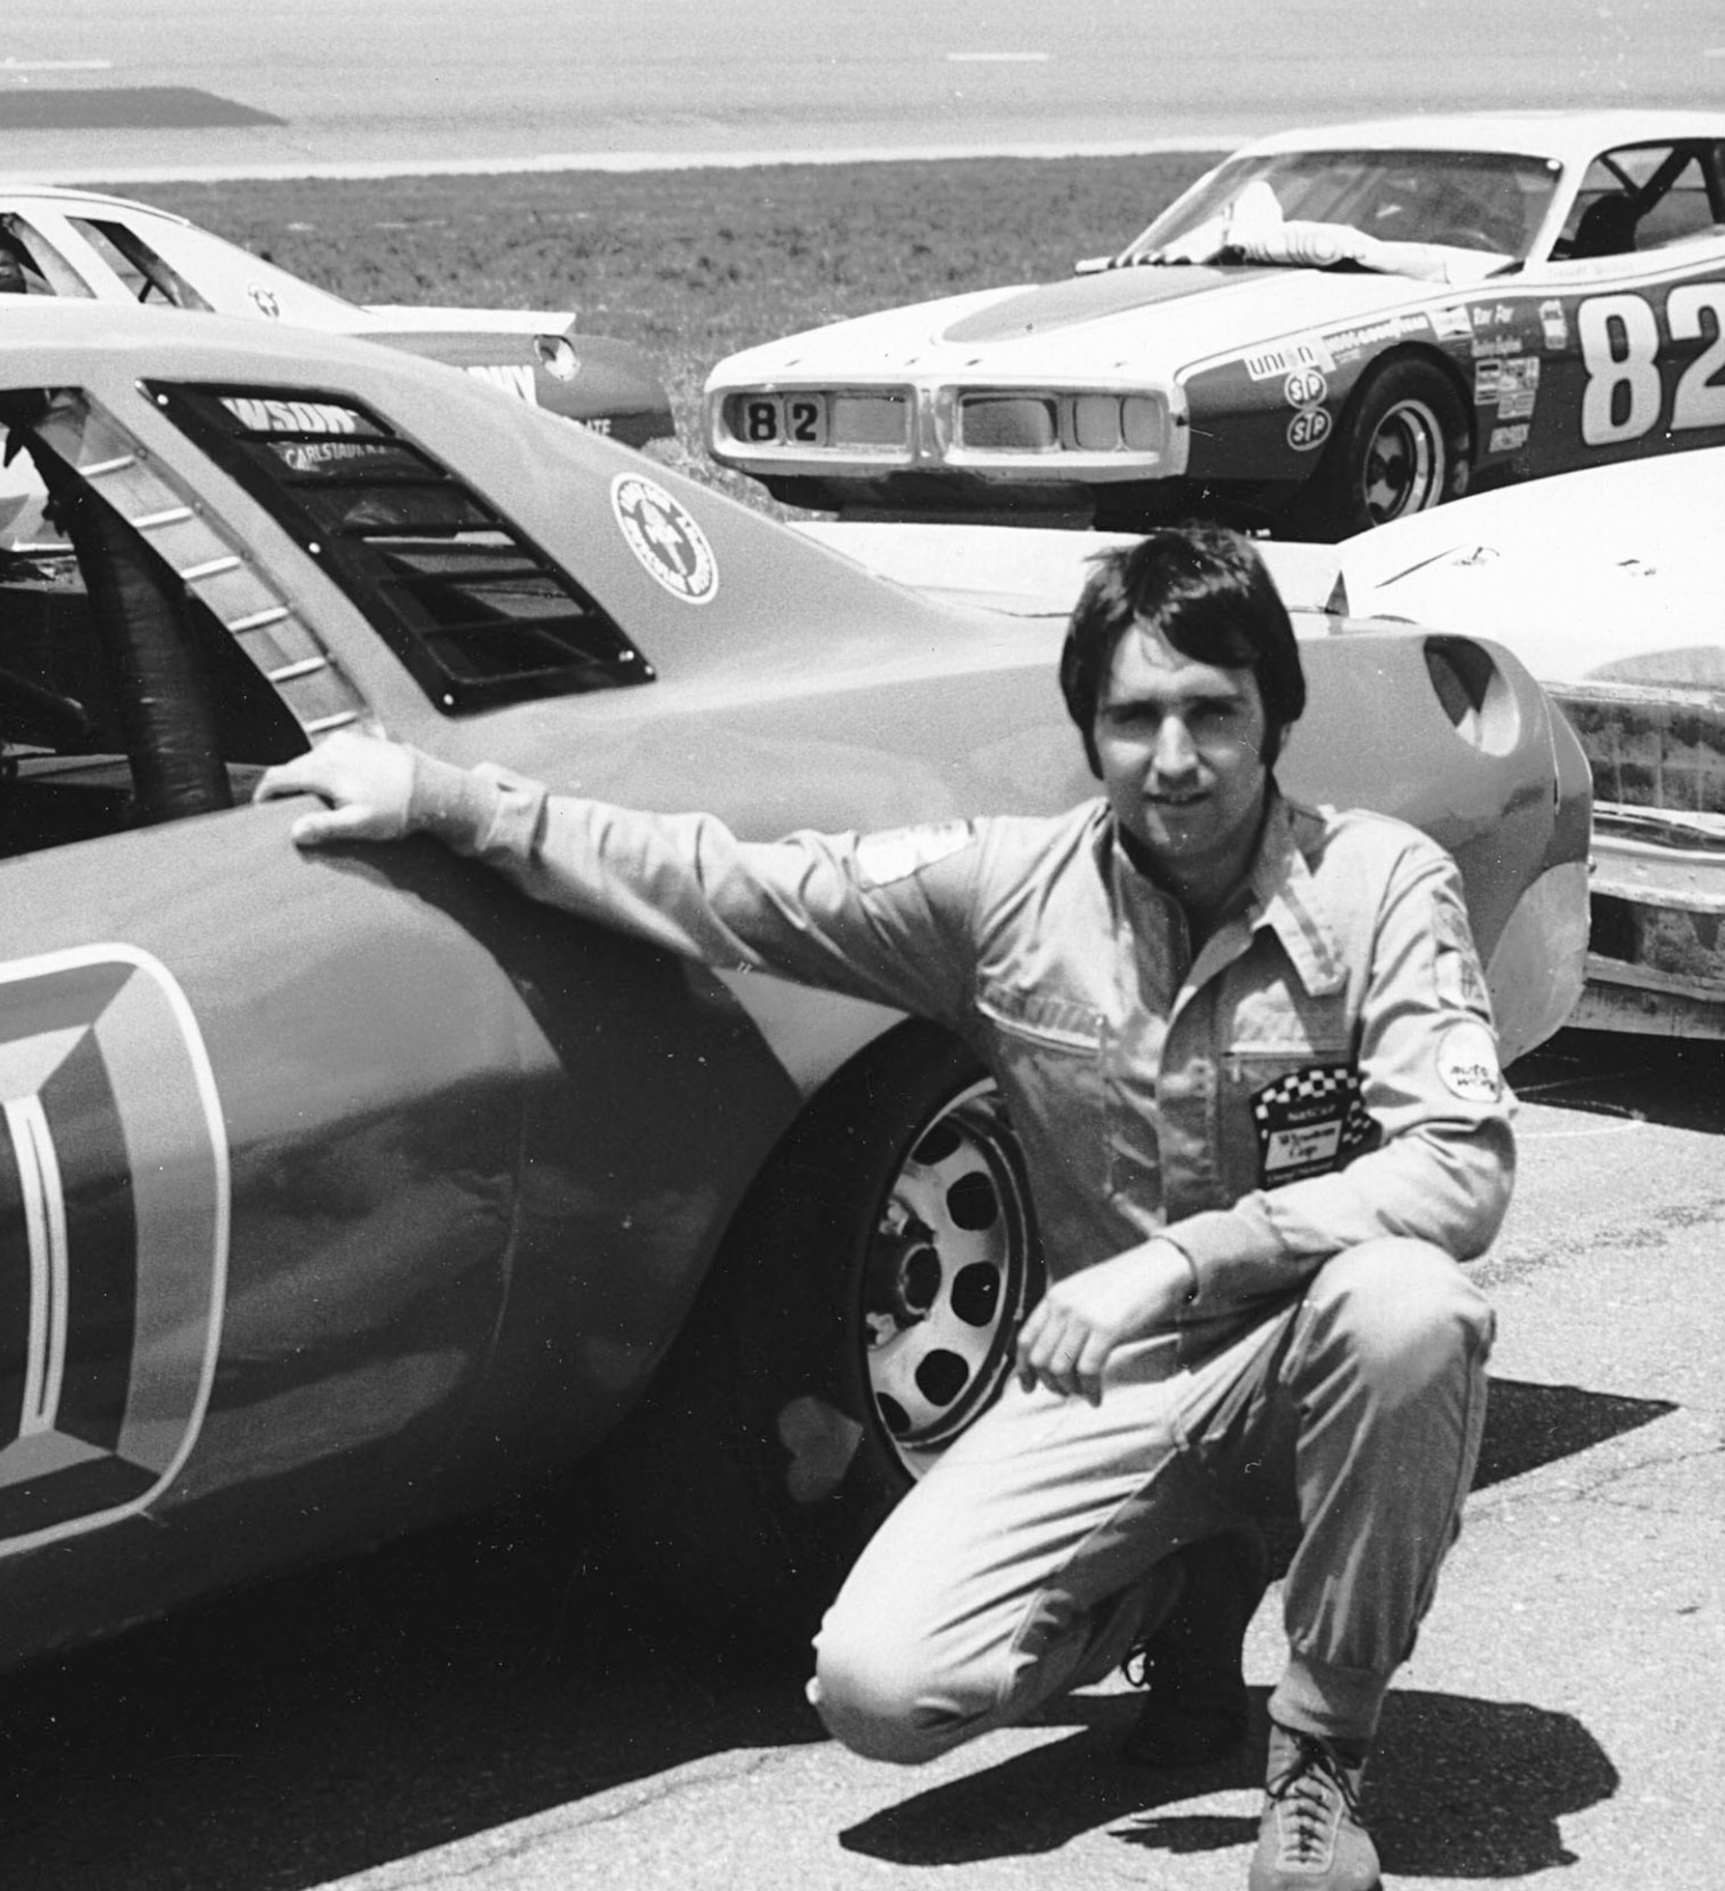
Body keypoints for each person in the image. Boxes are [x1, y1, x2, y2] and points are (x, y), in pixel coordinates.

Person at [257, 522, 1510, 1891]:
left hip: (1306, 1352)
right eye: (1133, 716)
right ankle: (1176, 1587)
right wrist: (449, 803)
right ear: (1088, 732)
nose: (1174, 758)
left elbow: (1461, 1163)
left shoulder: (1381, 884)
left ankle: (1319, 1760)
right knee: (878, 1689)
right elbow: (727, 884)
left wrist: (1182, 1265)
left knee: (1412, 1310)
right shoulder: (1005, 894)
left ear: (1277, 711)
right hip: (1115, 1396)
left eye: (1214, 712)